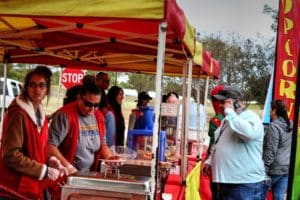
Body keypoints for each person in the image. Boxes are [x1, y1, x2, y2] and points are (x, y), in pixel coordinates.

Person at [0, 66, 67, 199]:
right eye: (32, 85)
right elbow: (10, 154)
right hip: (14, 188)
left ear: (47, 90)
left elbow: (35, 149)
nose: (37, 89)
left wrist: (50, 160)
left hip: (30, 185)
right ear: (26, 88)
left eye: (42, 85)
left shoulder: (40, 115)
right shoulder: (18, 114)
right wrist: (43, 170)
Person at [202, 86, 265, 200]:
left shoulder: (250, 117)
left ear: (235, 103)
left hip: (244, 184)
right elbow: (219, 141)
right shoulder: (229, 119)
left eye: (223, 102)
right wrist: (210, 161)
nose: (220, 105)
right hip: (229, 182)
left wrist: (230, 112)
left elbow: (249, 133)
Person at [48, 82, 115, 174]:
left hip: (87, 173)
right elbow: (50, 146)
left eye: (96, 105)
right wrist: (68, 166)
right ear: (79, 98)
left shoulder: (99, 116)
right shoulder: (65, 115)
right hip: (64, 173)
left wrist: (109, 157)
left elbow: (102, 143)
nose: (92, 109)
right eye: (88, 104)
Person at [262, 99, 293, 200]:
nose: (269, 112)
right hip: (286, 167)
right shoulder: (290, 125)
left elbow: (271, 150)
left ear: (274, 111)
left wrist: (264, 169)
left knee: (261, 195)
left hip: (274, 169)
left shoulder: (274, 127)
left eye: (270, 109)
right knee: (279, 196)